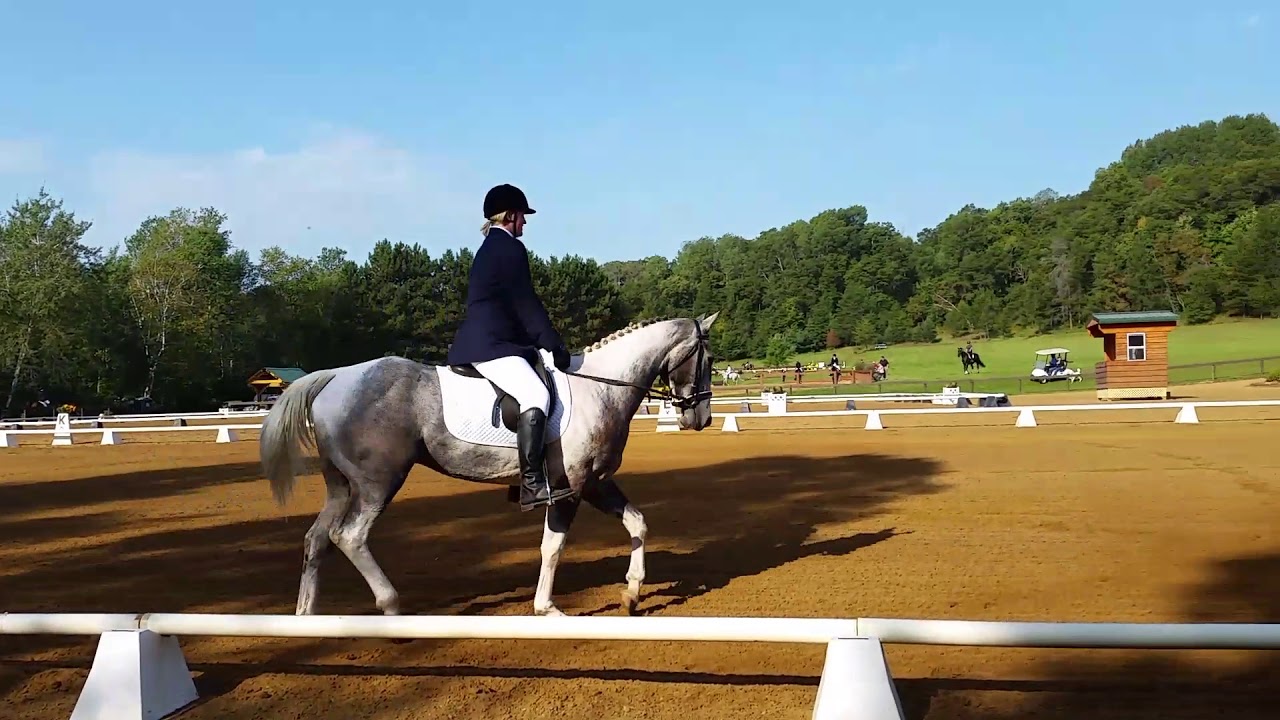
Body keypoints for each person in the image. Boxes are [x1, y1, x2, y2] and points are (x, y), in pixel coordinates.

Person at [448, 183, 575, 512]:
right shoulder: (509, 249)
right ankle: (531, 483)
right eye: (522, 216)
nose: (525, 222)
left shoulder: (490, 247)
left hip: (492, 340)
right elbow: (526, 304)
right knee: (536, 396)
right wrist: (553, 343)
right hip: (491, 344)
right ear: (511, 216)